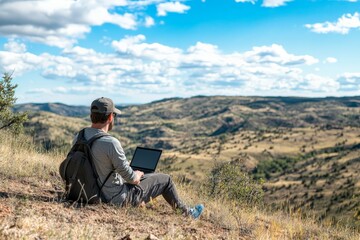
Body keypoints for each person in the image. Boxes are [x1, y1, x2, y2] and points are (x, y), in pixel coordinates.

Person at [77, 97, 203, 219]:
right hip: (115, 199)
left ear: (91, 116)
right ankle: (188, 214)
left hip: (89, 192)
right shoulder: (110, 143)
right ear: (110, 117)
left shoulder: (80, 136)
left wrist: (124, 168)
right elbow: (132, 179)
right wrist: (136, 174)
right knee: (166, 179)